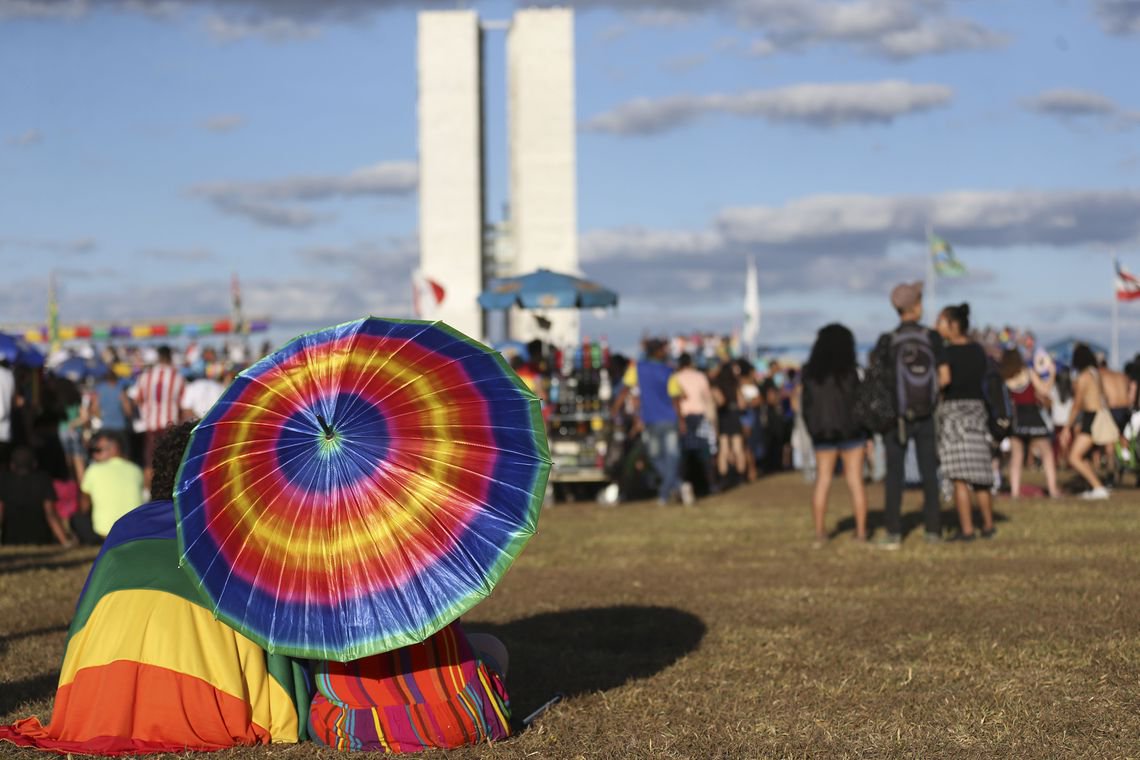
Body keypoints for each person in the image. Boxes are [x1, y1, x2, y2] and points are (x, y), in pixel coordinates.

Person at [0, 422, 311, 754]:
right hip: (209, 701)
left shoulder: (127, 527)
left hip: (103, 702)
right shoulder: (238, 529)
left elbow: (82, 624)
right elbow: (272, 631)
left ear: (160, 473)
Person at [308, 622, 512, 752]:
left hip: (358, 728)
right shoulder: (423, 569)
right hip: (459, 720)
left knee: (318, 708)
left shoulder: (326, 596)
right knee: (491, 645)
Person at [873, 282, 949, 549]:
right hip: (926, 413)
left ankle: (893, 531)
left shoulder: (888, 341)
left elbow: (879, 381)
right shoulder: (932, 338)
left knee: (894, 475)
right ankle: (933, 530)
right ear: (916, 306)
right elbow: (945, 377)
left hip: (896, 417)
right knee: (930, 472)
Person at [801, 324, 868, 546]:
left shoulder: (811, 374)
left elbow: (806, 406)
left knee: (823, 480)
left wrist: (814, 430)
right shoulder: (852, 372)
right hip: (852, 433)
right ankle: (861, 532)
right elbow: (861, 404)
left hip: (823, 434)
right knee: (855, 481)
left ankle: (820, 533)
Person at [936, 304, 996, 540]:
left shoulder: (946, 352)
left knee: (959, 476)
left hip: (954, 414)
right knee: (980, 474)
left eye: (940, 322)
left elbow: (944, 379)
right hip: (977, 411)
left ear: (952, 325)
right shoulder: (978, 351)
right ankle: (989, 525)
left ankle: (967, 529)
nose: (936, 326)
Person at [615, 339, 683, 505]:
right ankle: (676, 486)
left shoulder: (637, 368)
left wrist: (615, 409)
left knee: (655, 456)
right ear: (659, 352)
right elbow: (675, 399)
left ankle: (666, 493)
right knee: (670, 456)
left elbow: (624, 390)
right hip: (668, 418)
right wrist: (681, 420)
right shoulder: (668, 371)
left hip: (652, 419)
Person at [1000, 348, 1059, 499]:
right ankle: (1053, 490)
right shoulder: (1029, 372)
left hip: (1016, 419)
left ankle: (1014, 492)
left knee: (1017, 456)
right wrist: (1052, 374)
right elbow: (1044, 390)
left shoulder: (1005, 378)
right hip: (1033, 417)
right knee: (1047, 454)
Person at [128, 344, 185, 487]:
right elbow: (183, 404)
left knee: (150, 462)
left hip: (151, 426)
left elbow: (136, 400)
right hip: (170, 426)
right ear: (170, 357)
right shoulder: (177, 377)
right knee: (170, 462)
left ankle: (149, 494)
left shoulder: (145, 377)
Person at [1060, 344, 1112, 499]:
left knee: (1074, 457)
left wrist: (1066, 427)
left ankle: (1098, 488)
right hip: (1099, 416)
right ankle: (1093, 486)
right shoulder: (1095, 374)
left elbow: (1077, 404)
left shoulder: (1083, 377)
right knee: (1083, 456)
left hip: (1092, 417)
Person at [77, 431, 144, 542]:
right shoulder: (136, 469)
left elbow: (84, 506)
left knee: (77, 519)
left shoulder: (93, 470)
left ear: (114, 449)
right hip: (136, 531)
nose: (94, 455)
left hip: (104, 532)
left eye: (98, 450)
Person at [0, 446, 72, 546]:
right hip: (42, 540)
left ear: (12, 465)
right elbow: (50, 514)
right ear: (35, 464)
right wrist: (65, 541)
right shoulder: (43, 479)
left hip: (10, 540)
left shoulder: (4, 480)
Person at [673, 353, 716, 501]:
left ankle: (685, 486)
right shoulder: (700, 377)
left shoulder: (675, 377)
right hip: (699, 418)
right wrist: (712, 421)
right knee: (705, 454)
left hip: (682, 419)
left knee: (684, 455)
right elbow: (708, 399)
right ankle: (710, 485)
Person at [711, 361, 747, 486]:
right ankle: (741, 477)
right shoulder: (735, 384)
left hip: (723, 416)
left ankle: (724, 477)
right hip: (734, 415)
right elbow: (742, 404)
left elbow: (720, 401)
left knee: (724, 449)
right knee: (738, 448)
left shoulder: (717, 384)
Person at [90, 367, 131, 455]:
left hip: (106, 427)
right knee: (122, 455)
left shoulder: (100, 390)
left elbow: (94, 409)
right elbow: (128, 411)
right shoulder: (120, 390)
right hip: (120, 427)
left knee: (107, 455)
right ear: (116, 378)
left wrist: (102, 417)